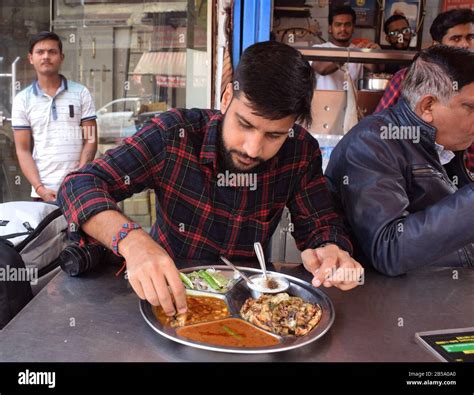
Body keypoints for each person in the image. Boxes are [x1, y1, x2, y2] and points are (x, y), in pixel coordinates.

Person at [57, 41, 364, 316]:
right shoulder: (174, 135)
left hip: (248, 303)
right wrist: (132, 241)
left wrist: (330, 250)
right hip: (166, 296)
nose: (252, 148)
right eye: (244, 124)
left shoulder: (300, 150)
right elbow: (79, 184)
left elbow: (320, 224)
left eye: (274, 135)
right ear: (227, 96)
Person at [325, 45, 474, 277]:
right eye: (471, 108)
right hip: (380, 299)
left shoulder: (444, 142)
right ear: (428, 106)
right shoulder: (371, 143)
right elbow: (389, 249)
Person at [375, 8, 474, 176]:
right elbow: (381, 126)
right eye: (456, 38)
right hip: (429, 174)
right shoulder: (409, 78)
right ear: (437, 45)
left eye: (471, 37)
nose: (465, 44)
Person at [12, 31, 97, 202]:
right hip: (43, 192)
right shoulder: (22, 100)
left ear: (61, 57)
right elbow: (22, 150)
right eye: (40, 52)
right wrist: (40, 188)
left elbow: (91, 139)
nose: (46, 56)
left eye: (52, 52)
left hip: (78, 189)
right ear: (31, 58)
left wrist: (79, 179)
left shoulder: (80, 93)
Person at [311, 5, 380, 90]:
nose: (343, 29)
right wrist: (350, 53)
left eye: (347, 25)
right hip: (325, 102)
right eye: (338, 25)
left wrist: (377, 54)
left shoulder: (358, 50)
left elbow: (375, 68)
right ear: (330, 28)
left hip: (352, 102)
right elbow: (322, 69)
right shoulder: (319, 48)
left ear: (353, 28)